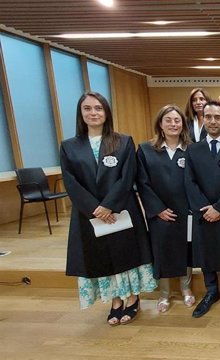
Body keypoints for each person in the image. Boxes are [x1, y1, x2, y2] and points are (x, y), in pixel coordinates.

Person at [60, 91, 156, 326]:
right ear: (80, 114)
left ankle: (133, 299)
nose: (93, 113)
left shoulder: (123, 141)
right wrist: (95, 208)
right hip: (89, 215)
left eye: (98, 108)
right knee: (102, 256)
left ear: (106, 112)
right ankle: (115, 301)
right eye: (88, 109)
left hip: (121, 210)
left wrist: (108, 205)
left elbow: (127, 177)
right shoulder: (69, 146)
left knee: (125, 255)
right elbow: (71, 181)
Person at [184, 101, 220, 318]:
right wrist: (204, 209)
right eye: (208, 117)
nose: (212, 121)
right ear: (203, 119)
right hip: (203, 213)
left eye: (217, 117)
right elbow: (189, 182)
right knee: (206, 252)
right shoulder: (193, 149)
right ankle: (212, 292)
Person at [136, 105, 194, 313]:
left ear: (183, 124)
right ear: (160, 124)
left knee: (185, 251)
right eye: (168, 120)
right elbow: (142, 183)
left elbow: (196, 180)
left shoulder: (191, 149)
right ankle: (164, 294)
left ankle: (186, 289)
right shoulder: (145, 150)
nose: (173, 124)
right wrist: (158, 209)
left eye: (177, 120)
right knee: (162, 252)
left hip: (185, 211)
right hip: (159, 212)